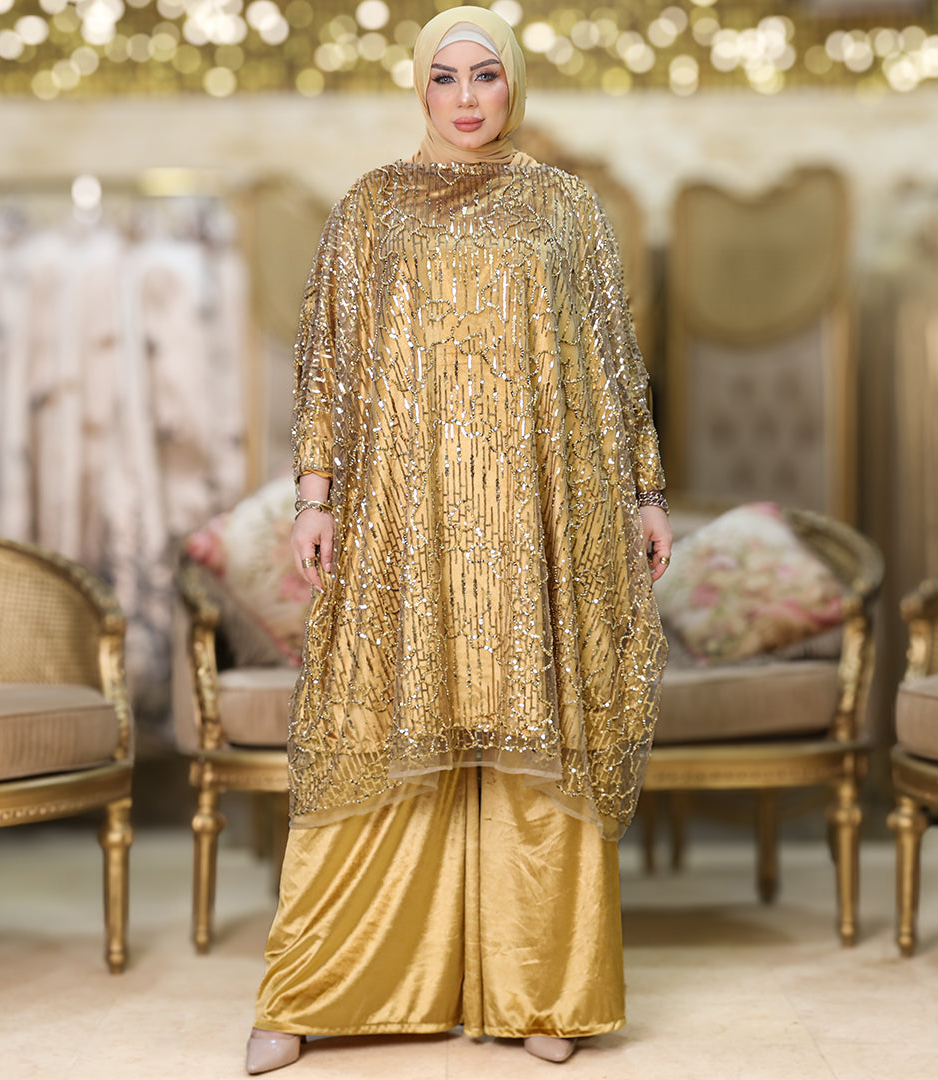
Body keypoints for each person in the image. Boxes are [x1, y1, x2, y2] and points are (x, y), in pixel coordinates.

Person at [245, 7, 671, 1074]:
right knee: (375, 723)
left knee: (537, 717)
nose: (468, 97)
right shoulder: (372, 205)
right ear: (419, 86)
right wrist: (314, 498)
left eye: (487, 75)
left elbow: (612, 356)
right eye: (446, 76)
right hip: (406, 507)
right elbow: (328, 357)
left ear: (513, 83)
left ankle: (544, 988)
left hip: (539, 506)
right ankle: (315, 990)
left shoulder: (564, 204)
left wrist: (645, 492)